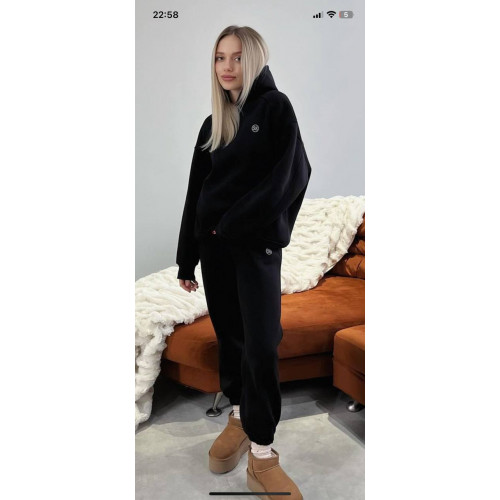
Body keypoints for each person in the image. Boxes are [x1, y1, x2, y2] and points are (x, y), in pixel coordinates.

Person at [176, 25, 311, 500]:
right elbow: (196, 194)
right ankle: (238, 416)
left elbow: (293, 175)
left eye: (236, 57)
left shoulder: (275, 108)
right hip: (215, 250)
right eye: (219, 58)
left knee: (261, 343)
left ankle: (263, 452)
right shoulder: (212, 124)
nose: (227, 67)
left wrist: (238, 223)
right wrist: (186, 258)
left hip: (255, 249)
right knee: (231, 337)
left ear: (253, 60)